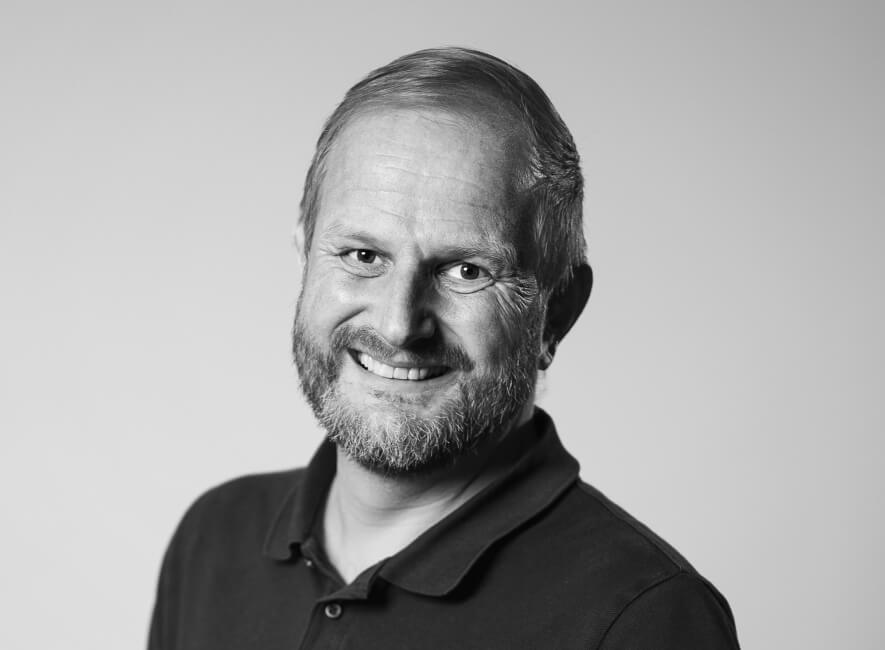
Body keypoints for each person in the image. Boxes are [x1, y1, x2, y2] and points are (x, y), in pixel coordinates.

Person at [148, 47, 740, 649]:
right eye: (363, 256)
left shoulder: (644, 619)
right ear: (305, 256)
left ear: (557, 310)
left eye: (464, 270)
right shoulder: (214, 538)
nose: (400, 325)